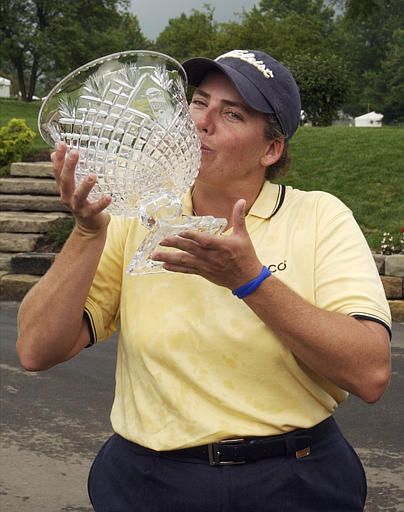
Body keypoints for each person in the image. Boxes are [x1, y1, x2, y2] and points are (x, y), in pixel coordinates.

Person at [16, 49, 391, 512]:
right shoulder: (137, 216)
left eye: (231, 113)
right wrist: (89, 230)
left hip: (294, 479)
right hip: (148, 482)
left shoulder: (318, 217)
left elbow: (370, 373)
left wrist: (249, 280)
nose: (203, 121)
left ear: (270, 150)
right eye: (198, 102)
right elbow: (36, 349)